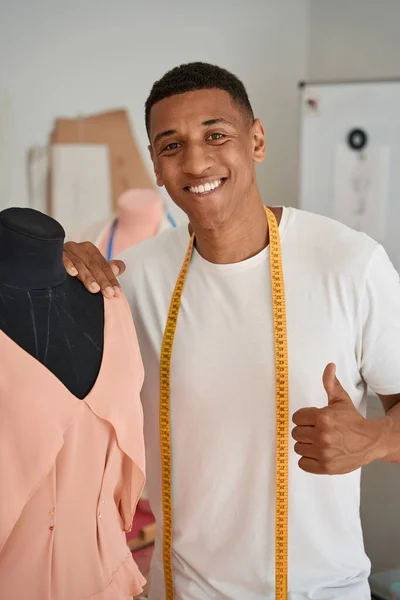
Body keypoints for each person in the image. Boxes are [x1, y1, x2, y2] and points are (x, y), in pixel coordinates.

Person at [63, 62, 400, 600]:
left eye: (215, 135)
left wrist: (377, 439)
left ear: (257, 139)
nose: (195, 161)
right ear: (154, 164)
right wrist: (50, 271)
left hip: (322, 592)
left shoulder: (351, 264)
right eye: (171, 146)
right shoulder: (133, 279)